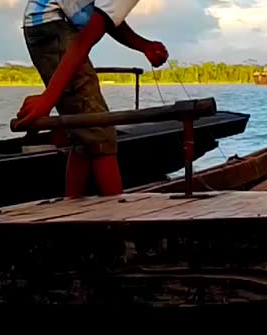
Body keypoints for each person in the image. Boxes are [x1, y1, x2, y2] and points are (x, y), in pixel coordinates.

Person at [16, 0, 169, 198]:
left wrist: (143, 46)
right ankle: (117, 219)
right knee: (100, 131)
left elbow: (106, 18)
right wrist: (47, 99)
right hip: (50, 25)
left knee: (85, 134)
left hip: (48, 24)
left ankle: (72, 208)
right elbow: (83, 41)